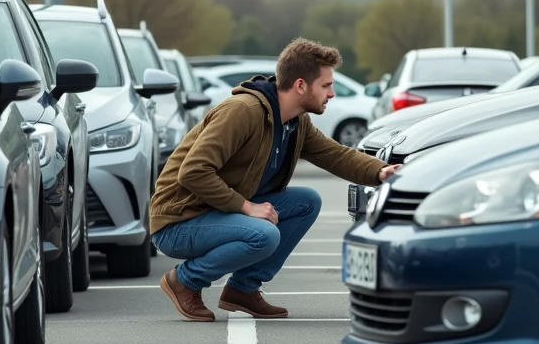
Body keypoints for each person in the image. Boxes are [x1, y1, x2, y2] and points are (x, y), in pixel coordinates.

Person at [149, 38, 400, 321]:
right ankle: (185, 281)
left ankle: (242, 289)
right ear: (301, 85)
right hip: (179, 221)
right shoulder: (242, 111)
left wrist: (380, 171)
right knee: (264, 235)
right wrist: (247, 207)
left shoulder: (295, 121)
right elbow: (193, 171)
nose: (331, 94)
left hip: (214, 213)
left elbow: (335, 155)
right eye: (326, 86)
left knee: (307, 201)